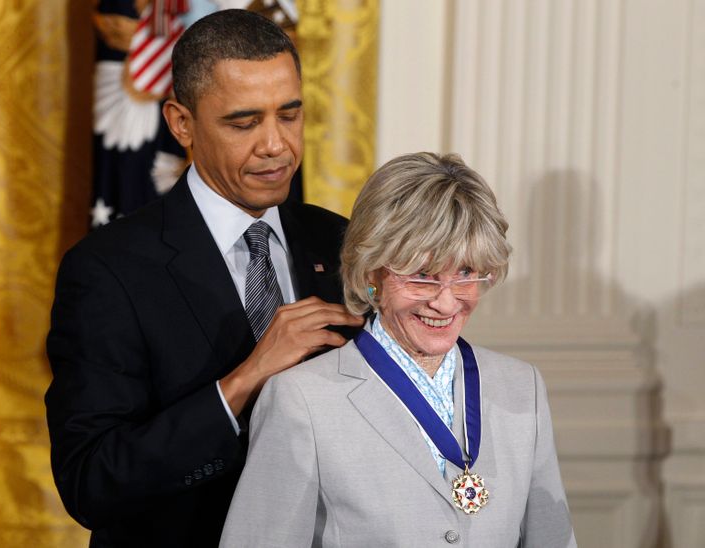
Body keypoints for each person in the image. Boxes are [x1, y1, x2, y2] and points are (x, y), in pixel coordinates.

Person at [45, 9, 364, 547]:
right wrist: (243, 381)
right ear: (181, 123)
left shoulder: (343, 243)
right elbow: (92, 482)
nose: (276, 145)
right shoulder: (106, 271)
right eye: (244, 123)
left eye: (289, 115)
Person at [220, 152, 577, 547]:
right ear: (371, 272)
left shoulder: (521, 386)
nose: (446, 302)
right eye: (422, 275)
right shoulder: (301, 401)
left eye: (465, 273)